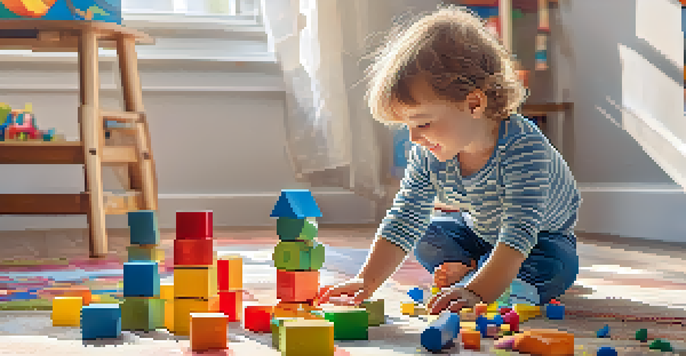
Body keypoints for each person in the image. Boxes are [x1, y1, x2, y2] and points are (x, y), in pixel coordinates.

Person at [318, 4, 581, 315]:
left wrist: (476, 292)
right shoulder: (429, 153)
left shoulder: (524, 148)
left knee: (556, 264)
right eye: (408, 127)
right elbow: (405, 217)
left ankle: (482, 276)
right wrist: (366, 280)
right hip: (479, 231)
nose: (414, 139)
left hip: (538, 238)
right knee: (428, 236)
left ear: (473, 104)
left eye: (423, 123)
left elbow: (518, 232)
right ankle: (475, 267)